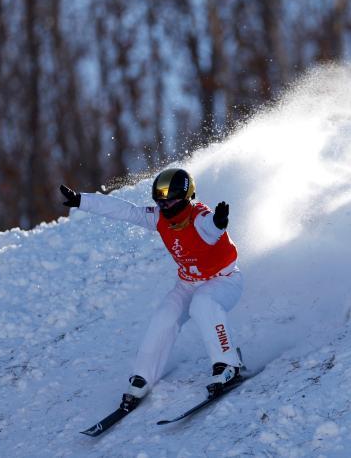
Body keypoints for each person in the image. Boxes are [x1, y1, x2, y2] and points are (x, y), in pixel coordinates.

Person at [59, 168, 244, 411]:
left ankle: (228, 364)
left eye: (171, 199)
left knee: (203, 305)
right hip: (188, 282)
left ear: (187, 197)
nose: (165, 206)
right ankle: (143, 377)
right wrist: (82, 200)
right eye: (160, 200)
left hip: (224, 280)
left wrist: (219, 223)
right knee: (164, 316)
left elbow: (211, 229)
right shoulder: (159, 217)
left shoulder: (199, 215)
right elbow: (125, 211)